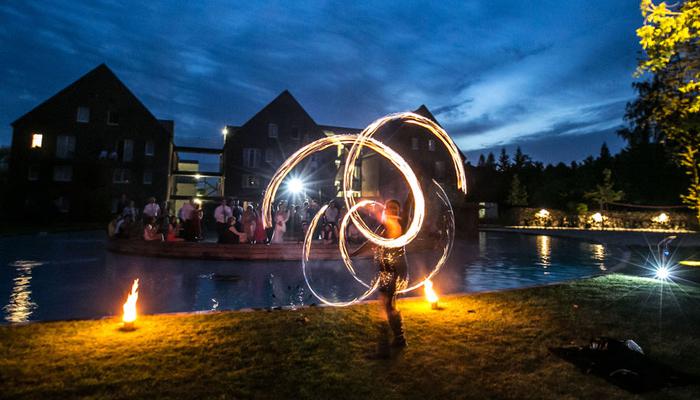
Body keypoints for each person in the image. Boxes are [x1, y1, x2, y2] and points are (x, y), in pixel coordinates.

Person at [373, 199, 408, 355]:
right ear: (385, 209)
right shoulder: (383, 227)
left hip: (396, 271)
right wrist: (353, 253)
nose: (391, 210)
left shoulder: (396, 226)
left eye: (395, 208)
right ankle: (390, 338)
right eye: (389, 207)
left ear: (398, 211)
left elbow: (385, 240)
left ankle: (398, 338)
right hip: (385, 270)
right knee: (384, 303)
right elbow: (371, 242)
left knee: (389, 304)